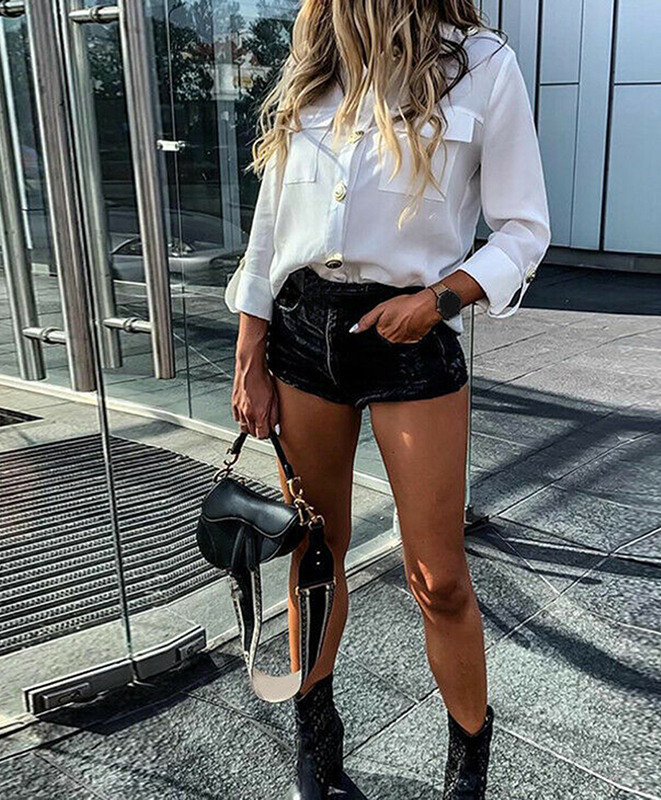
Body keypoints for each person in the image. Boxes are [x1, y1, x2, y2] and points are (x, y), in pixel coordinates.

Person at [229, 1, 550, 797]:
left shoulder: (481, 63)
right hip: (302, 333)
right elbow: (270, 232)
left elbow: (524, 228)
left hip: (411, 333)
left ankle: (467, 768)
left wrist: (442, 300)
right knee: (315, 555)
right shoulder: (316, 63)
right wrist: (249, 357)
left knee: (437, 575)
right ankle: (318, 746)